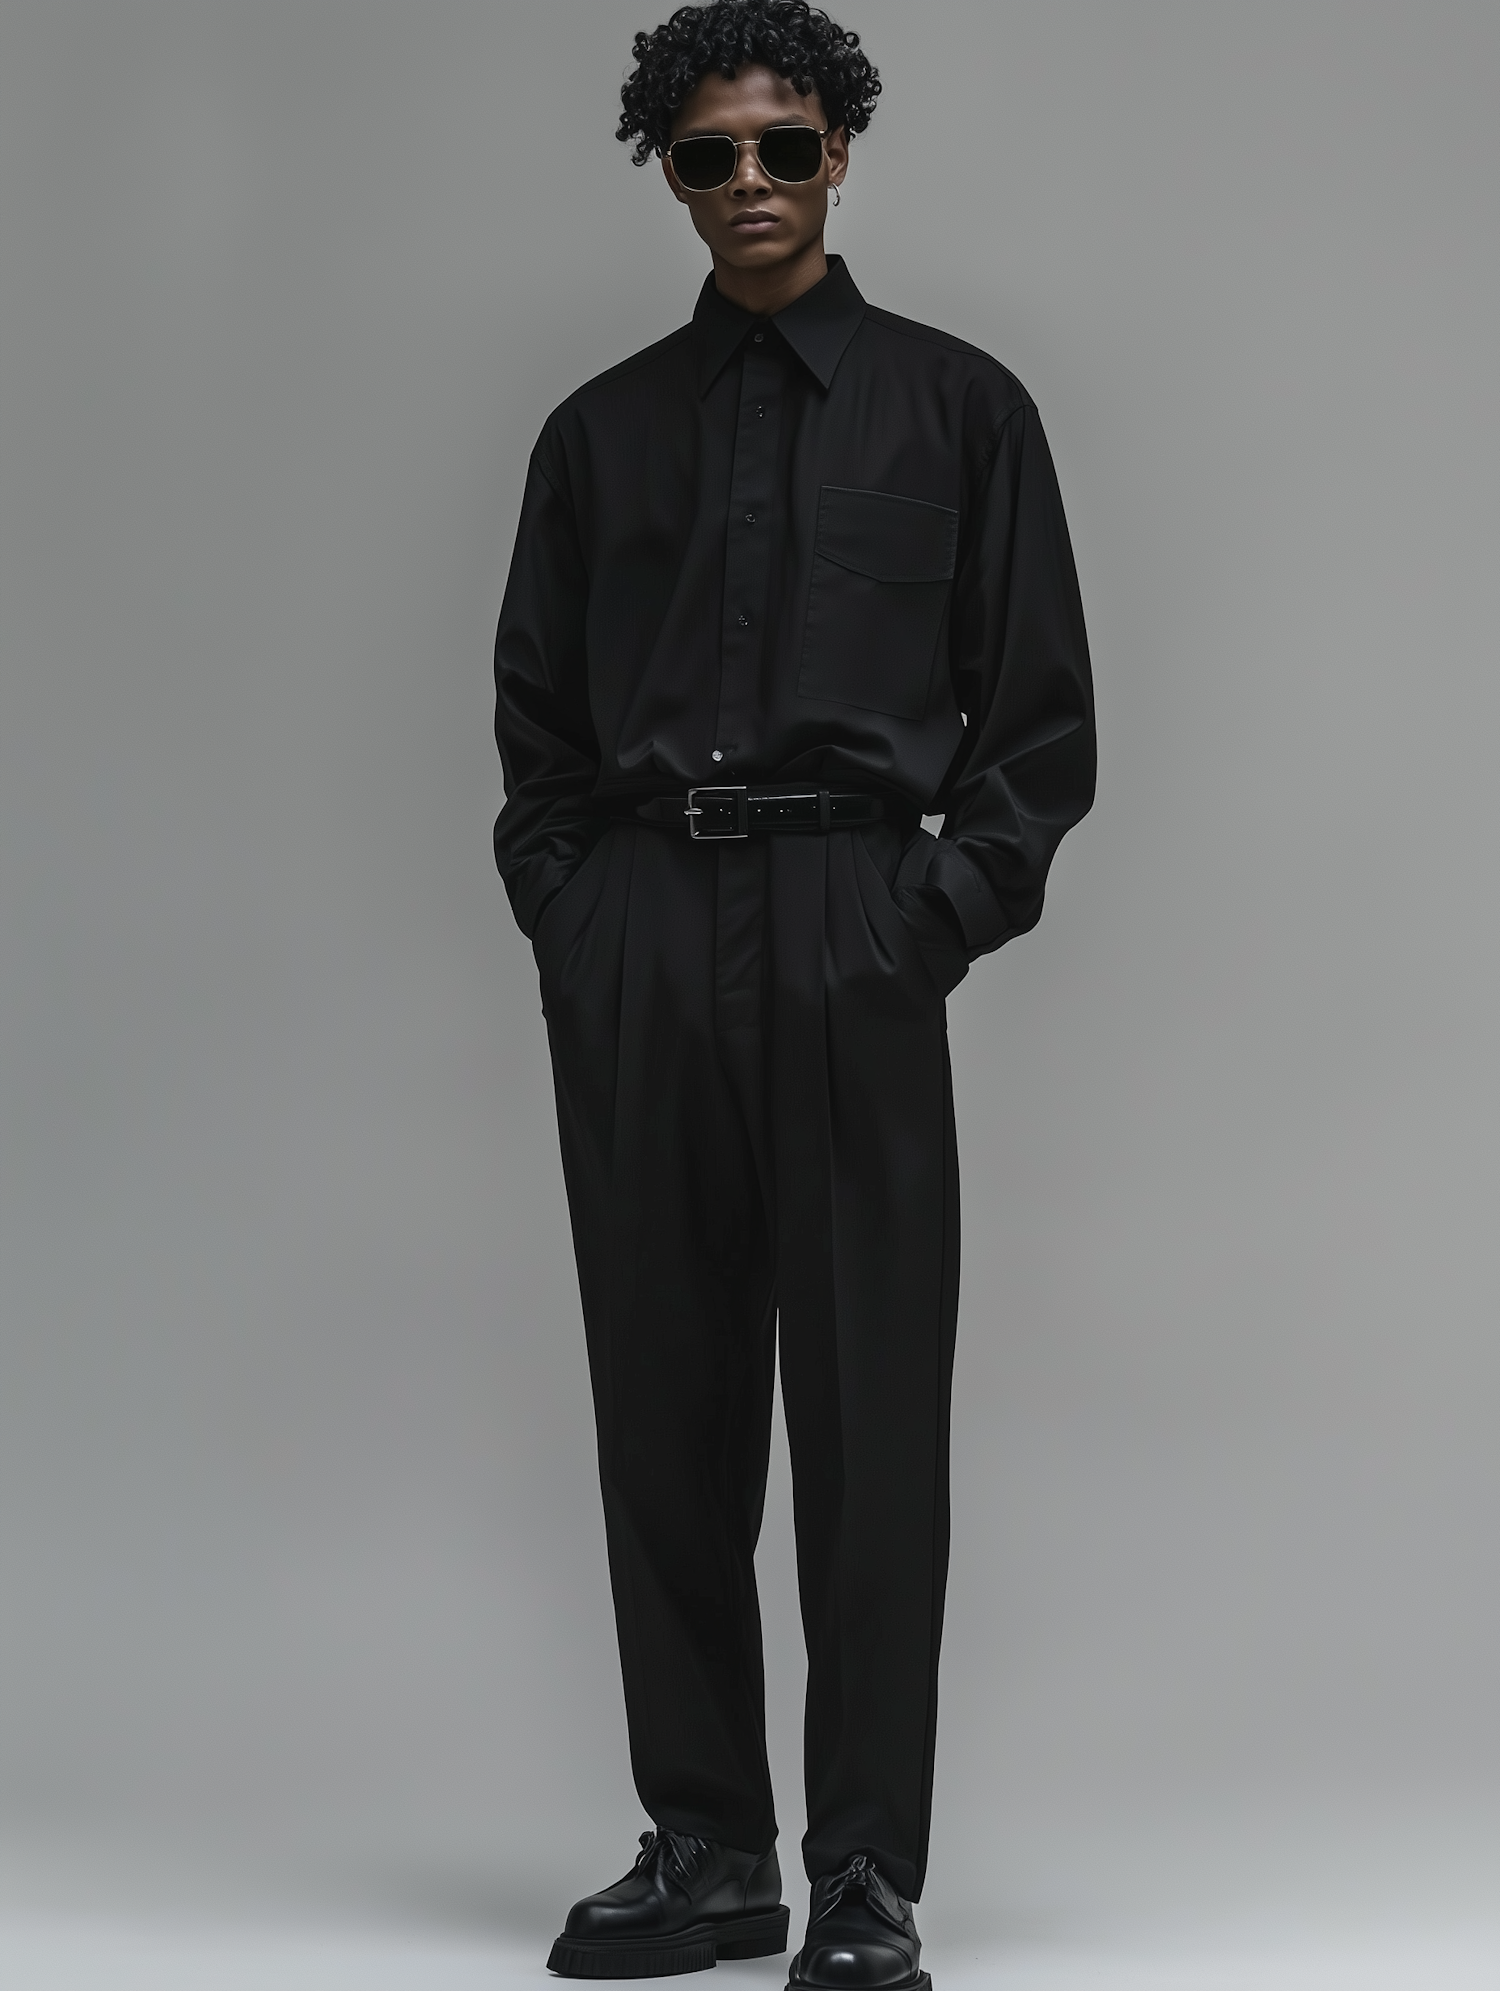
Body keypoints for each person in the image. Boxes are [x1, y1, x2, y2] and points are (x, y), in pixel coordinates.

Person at [493, 3, 1095, 1982]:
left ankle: (865, 1874)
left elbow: (1038, 729)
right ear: (667, 173)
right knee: (663, 1407)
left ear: (841, 150)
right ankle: (706, 1847)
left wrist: (922, 920)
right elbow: (538, 731)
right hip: (648, 935)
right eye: (707, 154)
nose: (747, 181)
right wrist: (582, 920)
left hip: (854, 926)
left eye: (781, 145)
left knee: (869, 1423)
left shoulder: (962, 409)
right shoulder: (597, 436)